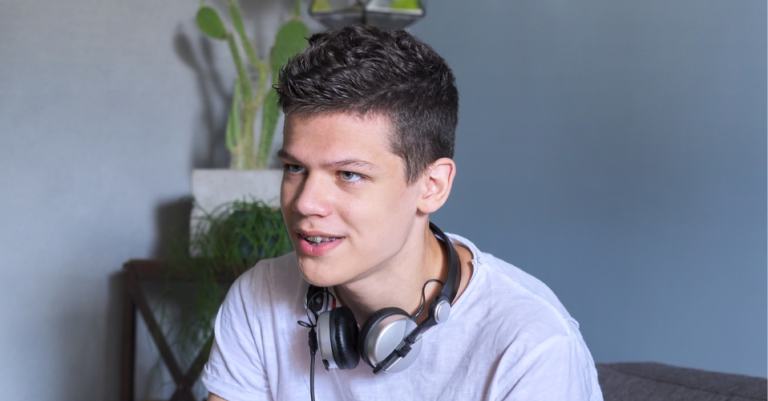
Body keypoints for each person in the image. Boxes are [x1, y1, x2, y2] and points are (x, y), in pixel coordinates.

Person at [201, 25, 603, 401]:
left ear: (432, 186)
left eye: (349, 174)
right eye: (294, 168)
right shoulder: (260, 295)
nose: (305, 203)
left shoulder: (533, 347)